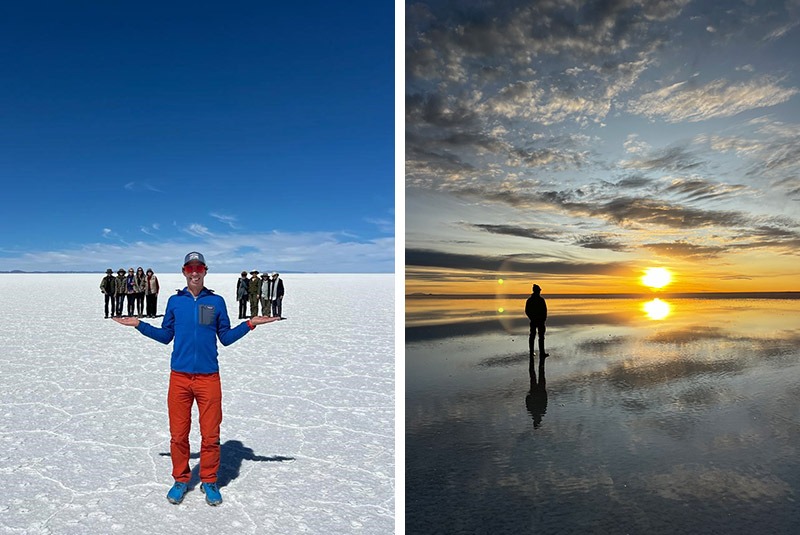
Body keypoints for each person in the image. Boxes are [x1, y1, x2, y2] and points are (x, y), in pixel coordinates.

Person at [113, 251, 280, 506]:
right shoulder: (174, 302)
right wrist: (139, 325)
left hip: (208, 378)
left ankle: (210, 481)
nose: (194, 272)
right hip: (179, 378)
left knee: (210, 435)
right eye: (190, 268)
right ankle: (181, 479)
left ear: (205, 271)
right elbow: (165, 335)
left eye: (199, 268)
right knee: (178, 435)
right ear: (183, 271)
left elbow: (225, 337)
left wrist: (250, 324)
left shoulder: (216, 301)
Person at [525, 283, 548, 358]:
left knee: (539, 337)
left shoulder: (534, 300)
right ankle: (533, 352)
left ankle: (541, 353)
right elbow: (527, 311)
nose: (539, 292)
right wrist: (532, 318)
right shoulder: (534, 300)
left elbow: (544, 311)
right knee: (534, 336)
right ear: (537, 291)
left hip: (539, 321)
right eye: (539, 290)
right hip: (536, 321)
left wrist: (543, 319)